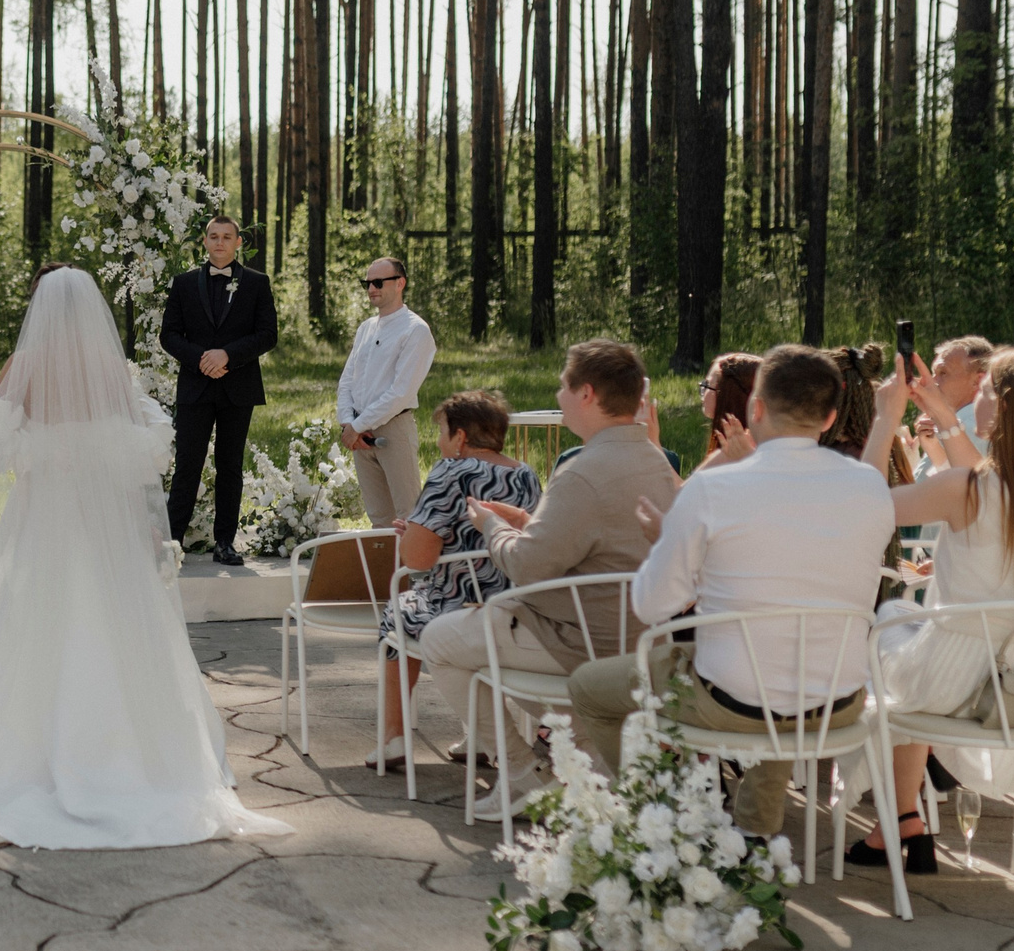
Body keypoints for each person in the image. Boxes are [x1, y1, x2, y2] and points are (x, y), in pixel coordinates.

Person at [0, 267, 291, 847]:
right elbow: (136, 446)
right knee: (113, 619)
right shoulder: (111, 369)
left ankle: (27, 754)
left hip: (43, 515)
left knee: (35, 620)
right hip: (102, 515)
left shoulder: (24, 365)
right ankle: (126, 752)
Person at [565, 346, 895, 837]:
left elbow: (652, 606)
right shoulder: (871, 487)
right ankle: (755, 834)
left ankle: (657, 819)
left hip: (731, 703)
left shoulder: (713, 489)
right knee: (779, 666)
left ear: (755, 408)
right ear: (829, 418)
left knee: (588, 688)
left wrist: (666, 541)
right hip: (838, 703)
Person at [845, 349, 1014, 871]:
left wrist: (885, 419)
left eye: (984, 391)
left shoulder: (966, 491)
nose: (974, 398)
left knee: (885, 628)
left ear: (1004, 408)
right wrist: (943, 416)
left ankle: (898, 815)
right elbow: (989, 485)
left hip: (960, 683)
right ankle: (899, 820)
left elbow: (861, 506)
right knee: (903, 642)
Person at [415, 341, 678, 814]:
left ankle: (521, 774)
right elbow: (597, 540)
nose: (558, 396)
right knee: (487, 647)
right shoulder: (655, 460)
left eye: (562, 386)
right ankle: (590, 766)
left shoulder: (583, 471)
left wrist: (490, 526)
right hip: (641, 636)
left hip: (579, 639)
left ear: (587, 394)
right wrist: (524, 521)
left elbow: (526, 566)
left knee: (438, 640)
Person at [367, 390, 539, 769]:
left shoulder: (450, 472)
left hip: (457, 603)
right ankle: (477, 735)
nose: (438, 441)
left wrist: (411, 536)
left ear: (460, 437)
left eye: (442, 431)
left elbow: (418, 559)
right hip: (515, 602)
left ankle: (394, 737)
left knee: (398, 612)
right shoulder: (525, 475)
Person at [158, 215, 279, 565]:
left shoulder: (257, 283)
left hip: (238, 386)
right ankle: (172, 544)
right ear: (205, 241)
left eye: (227, 237)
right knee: (187, 465)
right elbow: (169, 335)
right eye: (214, 236)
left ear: (238, 242)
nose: (220, 242)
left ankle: (224, 543)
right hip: (195, 387)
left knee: (230, 465)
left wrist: (228, 355)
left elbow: (267, 334)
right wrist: (202, 359)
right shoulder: (183, 284)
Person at [334, 255, 437, 526]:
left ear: (400, 283)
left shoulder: (416, 330)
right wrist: (347, 423)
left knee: (408, 516)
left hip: (393, 429)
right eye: (367, 283)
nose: (371, 289)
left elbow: (401, 392)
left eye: (378, 282)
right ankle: (383, 558)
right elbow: (347, 381)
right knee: (379, 518)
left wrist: (357, 426)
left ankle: (414, 559)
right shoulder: (365, 328)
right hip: (359, 435)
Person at [698, 353, 762, 461]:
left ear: (727, 393)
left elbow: (704, 473)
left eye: (707, 384)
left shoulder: (745, 451)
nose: (702, 389)